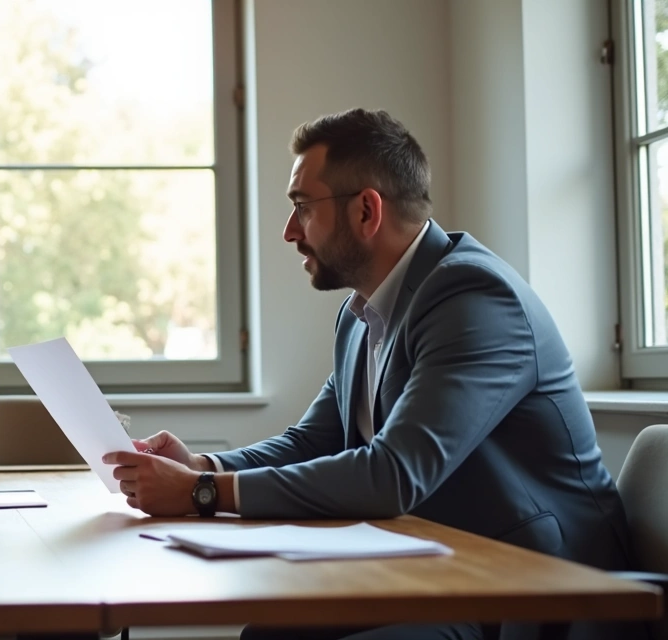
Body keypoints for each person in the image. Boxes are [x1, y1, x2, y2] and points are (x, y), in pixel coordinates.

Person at [103, 109, 644, 640]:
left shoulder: (473, 297)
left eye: (302, 207)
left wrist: (202, 492)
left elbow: (393, 473)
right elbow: (312, 441)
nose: (290, 231)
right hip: (442, 569)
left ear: (366, 211)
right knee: (268, 635)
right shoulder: (361, 315)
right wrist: (203, 464)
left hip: (537, 590)